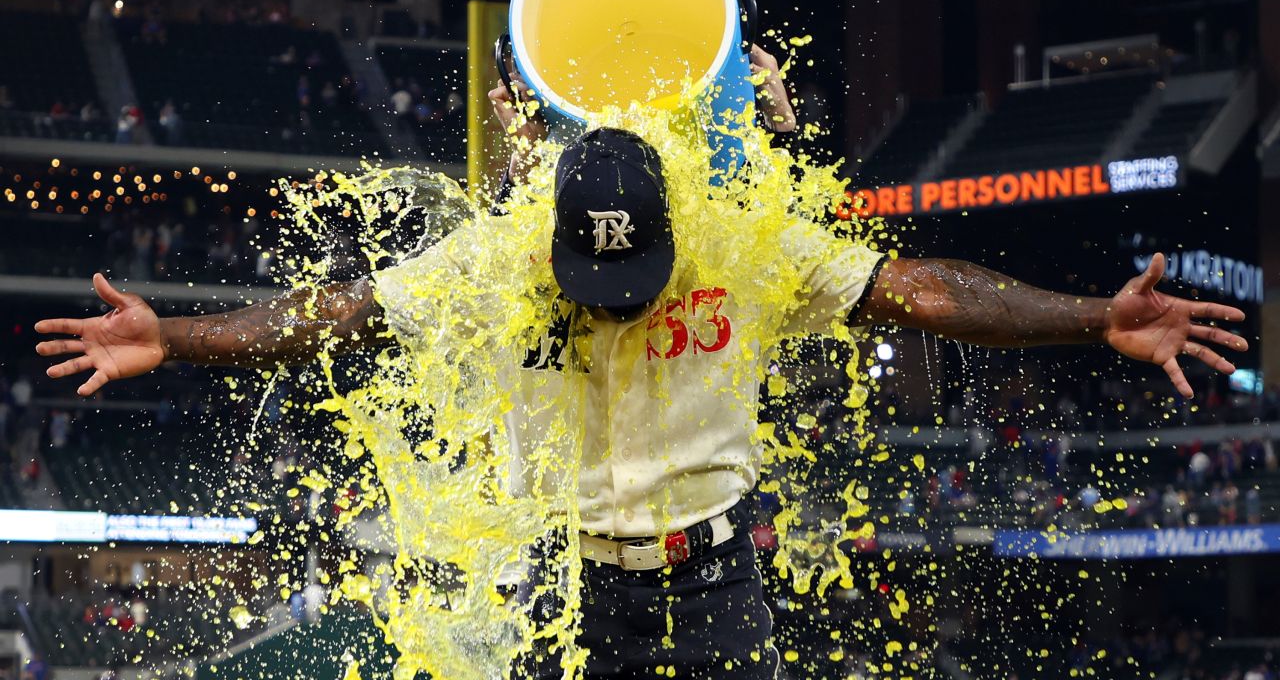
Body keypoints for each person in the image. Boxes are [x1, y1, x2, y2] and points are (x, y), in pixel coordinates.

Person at [34, 48, 1247, 679]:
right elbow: (335, 314)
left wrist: (1094, 317)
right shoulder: (498, 256)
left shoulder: (741, 236)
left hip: (713, 579)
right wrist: (175, 336)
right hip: (558, 588)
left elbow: (923, 289)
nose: (611, 306)